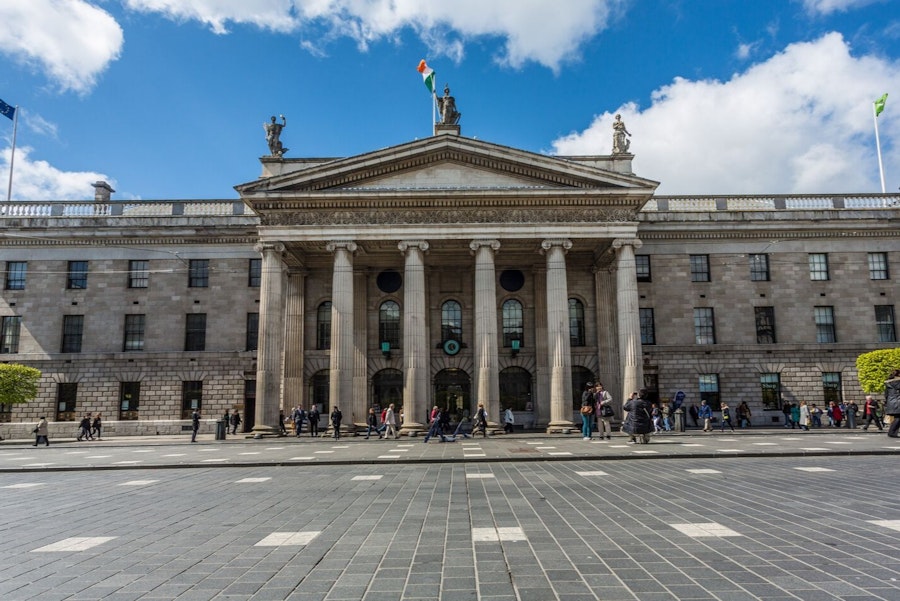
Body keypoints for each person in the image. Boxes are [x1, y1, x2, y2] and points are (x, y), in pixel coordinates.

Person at [884, 369, 900, 438]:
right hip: (898, 402)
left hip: (892, 402)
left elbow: (886, 395)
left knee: (897, 418)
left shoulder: (888, 383)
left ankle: (893, 433)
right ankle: (891, 432)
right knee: (898, 418)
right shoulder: (898, 382)